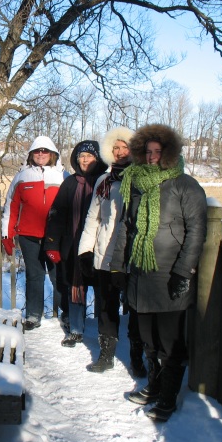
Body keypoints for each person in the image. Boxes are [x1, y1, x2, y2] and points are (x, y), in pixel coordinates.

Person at [110, 124, 207, 422]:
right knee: (147, 337)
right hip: (141, 275)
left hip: (168, 275)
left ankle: (168, 397)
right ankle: (154, 385)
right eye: (147, 152)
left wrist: (183, 272)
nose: (152, 157)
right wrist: (117, 265)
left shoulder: (185, 185)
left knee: (170, 340)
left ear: (169, 153)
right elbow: (127, 227)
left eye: (157, 151)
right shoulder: (135, 183)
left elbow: (196, 231)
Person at [77, 127, 146, 375]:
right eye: (115, 148)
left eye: (124, 147)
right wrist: (85, 251)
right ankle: (106, 354)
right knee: (106, 307)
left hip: (131, 257)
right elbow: (93, 219)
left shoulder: (142, 179)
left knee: (136, 309)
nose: (119, 152)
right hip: (104, 254)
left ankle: (137, 358)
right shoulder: (104, 182)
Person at [1, 136, 68, 330]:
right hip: (29, 236)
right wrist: (7, 234)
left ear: (52, 154)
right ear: (31, 154)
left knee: (59, 276)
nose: (41, 155)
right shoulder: (22, 176)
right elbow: (11, 207)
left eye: (45, 151)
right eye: (37, 151)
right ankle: (33, 315)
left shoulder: (64, 176)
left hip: (56, 237)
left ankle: (66, 313)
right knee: (34, 275)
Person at [45, 140, 108, 346]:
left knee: (102, 289)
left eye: (89, 156)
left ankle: (103, 329)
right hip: (72, 244)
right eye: (82, 156)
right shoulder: (70, 183)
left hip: (100, 246)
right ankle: (76, 328)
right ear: (76, 159)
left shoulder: (106, 181)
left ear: (97, 159)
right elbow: (57, 215)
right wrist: (52, 244)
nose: (85, 160)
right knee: (75, 286)